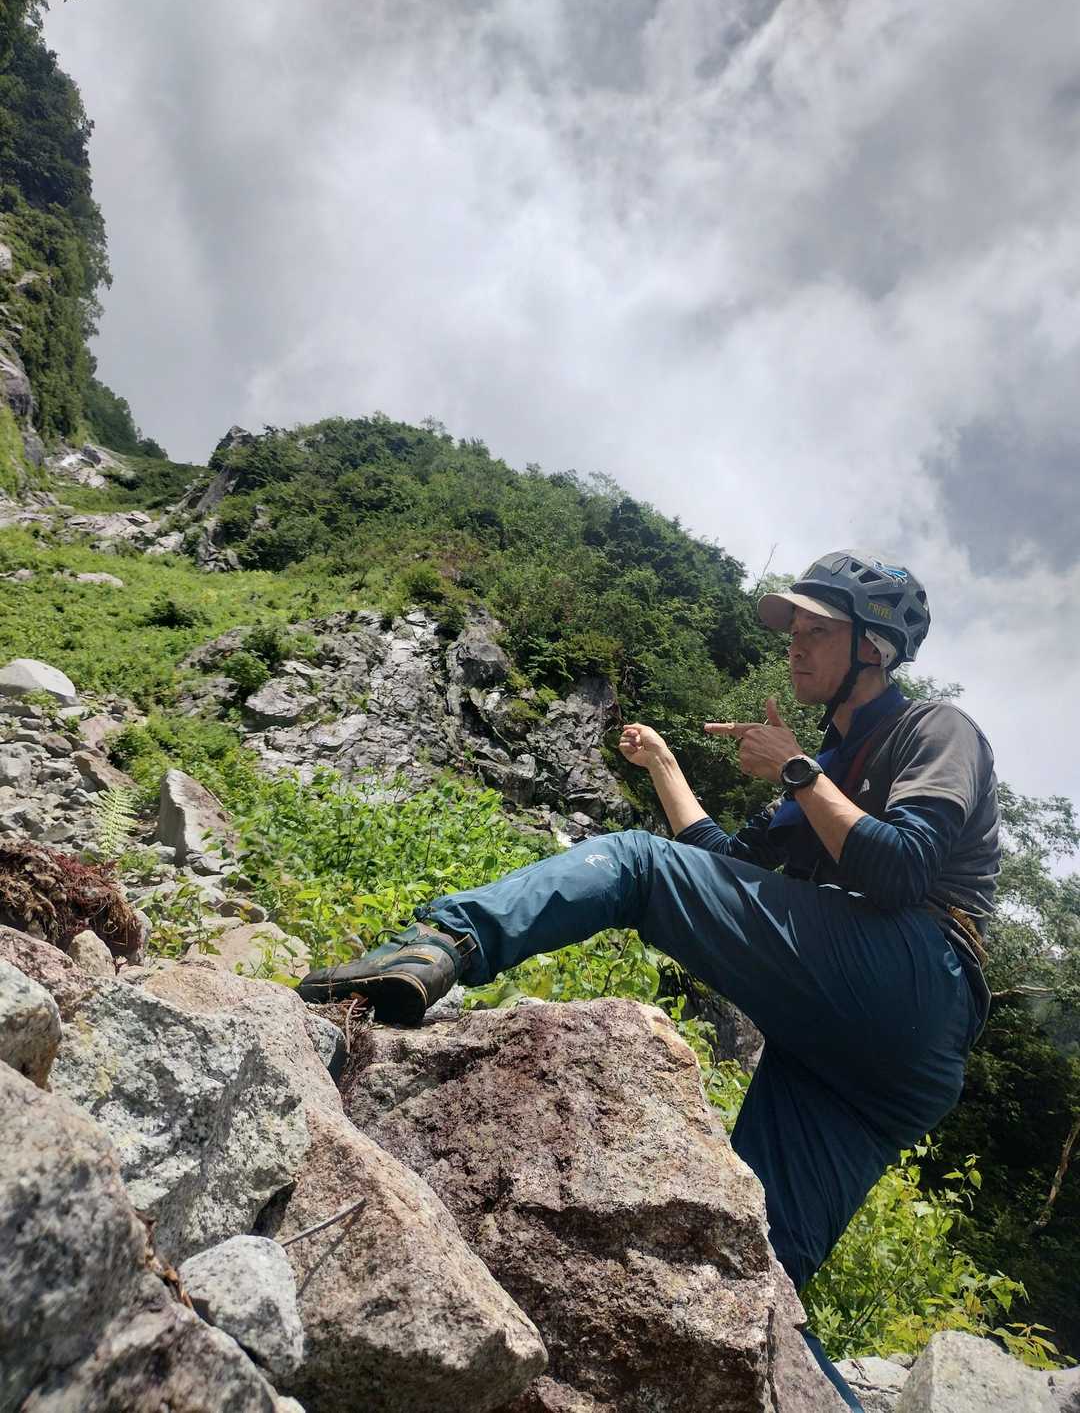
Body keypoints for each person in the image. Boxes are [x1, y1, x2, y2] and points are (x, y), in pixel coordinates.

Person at [298, 549, 999, 1411]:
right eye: (793, 630)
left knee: (634, 862)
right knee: (759, 1269)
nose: (795, 646)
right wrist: (666, 766)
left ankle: (439, 943)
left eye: (818, 631)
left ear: (876, 647)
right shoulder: (818, 770)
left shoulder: (934, 730)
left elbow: (902, 869)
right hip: (871, 1058)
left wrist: (796, 770)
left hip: (921, 975)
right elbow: (719, 869)